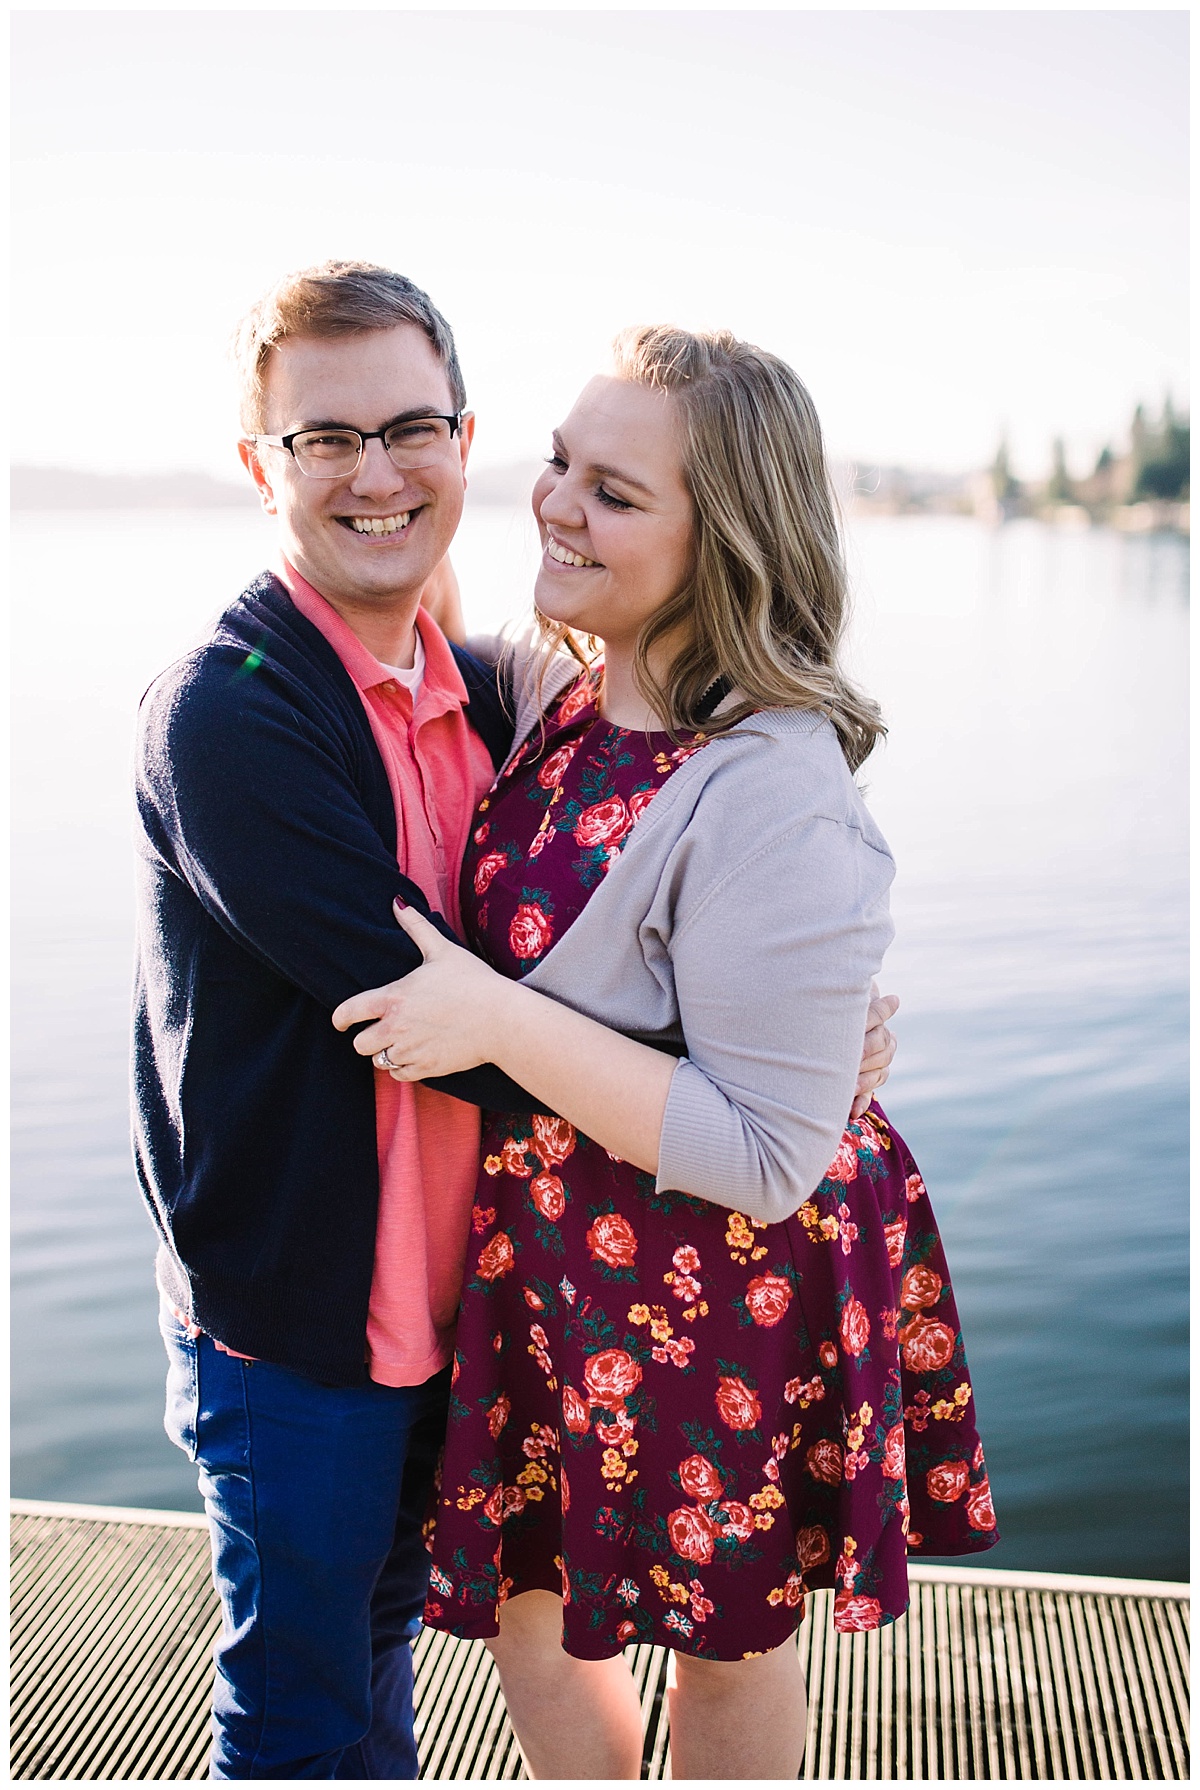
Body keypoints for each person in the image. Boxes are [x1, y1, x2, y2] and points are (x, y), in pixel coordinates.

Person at [133, 263, 897, 1779]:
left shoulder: (491, 686)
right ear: (255, 465)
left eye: (412, 427)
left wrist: (785, 1081)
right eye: (322, 440)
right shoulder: (235, 712)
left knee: (395, 1669)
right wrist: (742, 1088)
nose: (377, 472)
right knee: (310, 1705)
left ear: (459, 438)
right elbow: (416, 1003)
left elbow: (650, 965)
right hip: (316, 1329)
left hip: (546, 1297)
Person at [334, 326, 998, 1780]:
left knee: (722, 1652)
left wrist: (499, 1020)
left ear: (727, 543)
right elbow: (405, 593)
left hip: (725, 1272)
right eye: (560, 462)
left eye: (615, 492)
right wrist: (380, 468)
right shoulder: (572, 693)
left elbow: (769, 1149)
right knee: (526, 1619)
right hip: (563, 1260)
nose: (557, 503)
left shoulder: (775, 779)